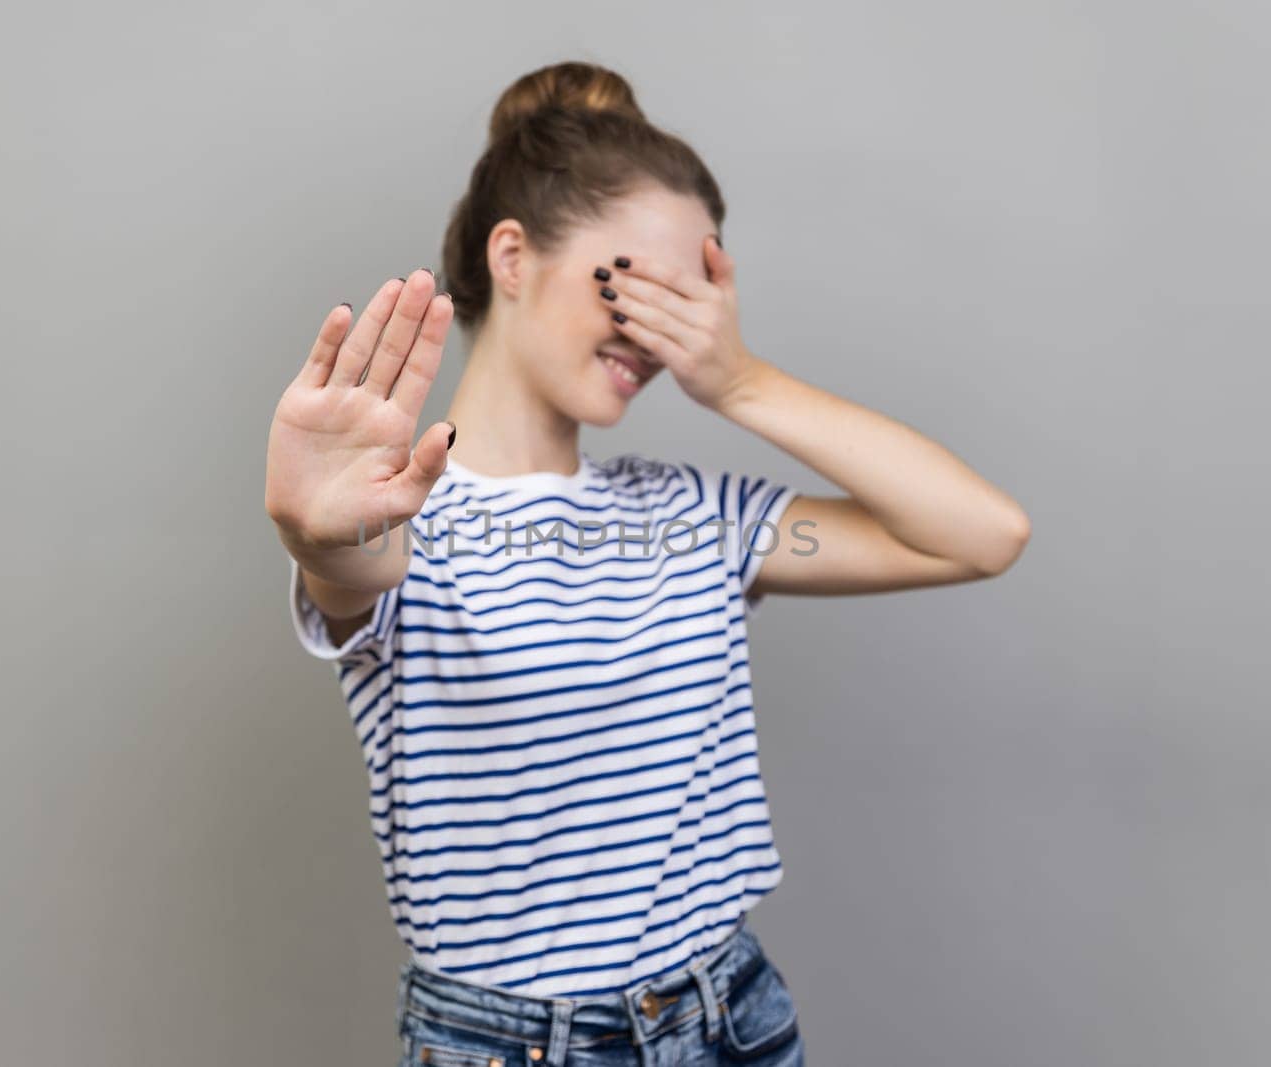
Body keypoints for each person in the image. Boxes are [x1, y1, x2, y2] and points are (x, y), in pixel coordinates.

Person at [264, 60, 1030, 1067]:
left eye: (686, 304)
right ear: (513, 254)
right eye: (625, 283)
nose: (655, 334)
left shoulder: (691, 515)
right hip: (522, 1046)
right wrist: (316, 532)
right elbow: (347, 562)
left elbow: (981, 532)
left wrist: (742, 381)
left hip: (733, 1016)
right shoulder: (401, 516)